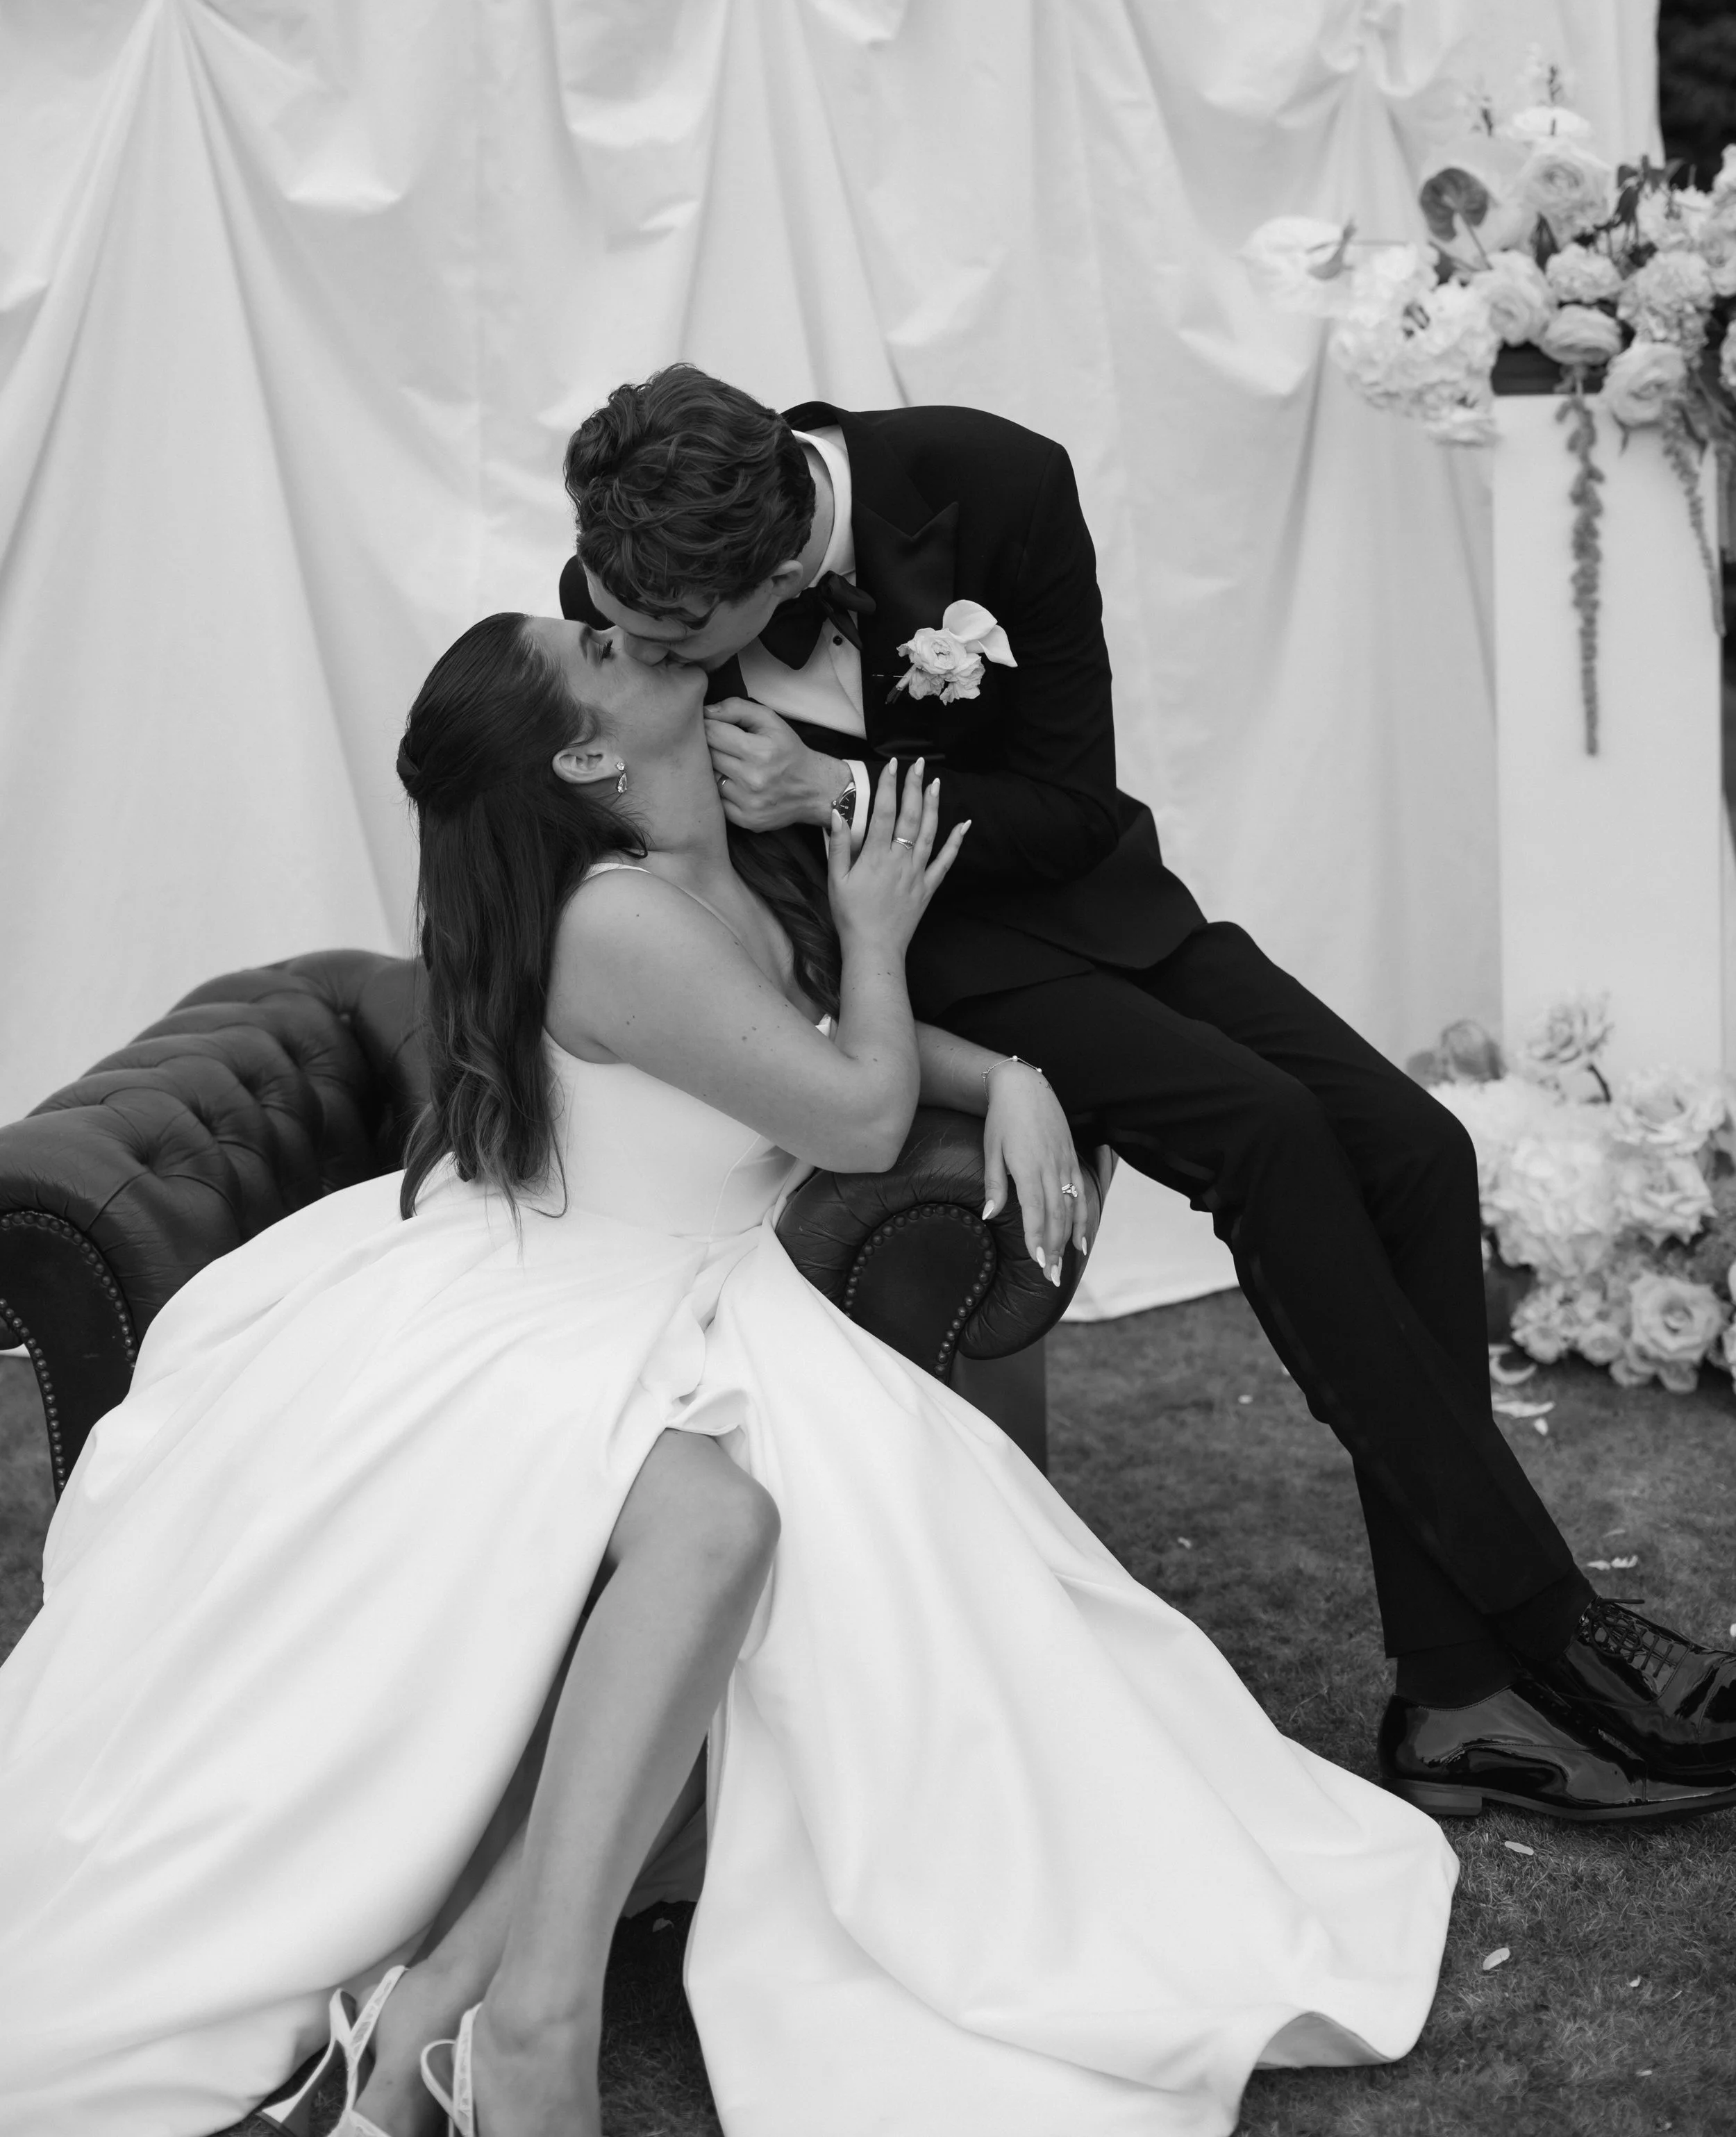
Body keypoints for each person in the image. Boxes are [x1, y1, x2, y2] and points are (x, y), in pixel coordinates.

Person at [0, 608, 1458, 2137]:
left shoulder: (706, 855)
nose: (617, 629)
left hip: (688, 1288)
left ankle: (442, 2013)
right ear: (584, 750)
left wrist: (1005, 1069)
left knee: (835, 1568)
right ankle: (518, 2027)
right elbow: (844, 1111)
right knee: (732, 1531)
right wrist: (884, 936)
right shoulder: (612, 918)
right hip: (553, 1302)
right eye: (594, 650)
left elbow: (810, 1039)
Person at [562, 363, 1736, 1826]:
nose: (630, 645)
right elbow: (691, 868)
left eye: (672, 633)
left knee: (1417, 1149)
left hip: (1090, 899)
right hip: (918, 973)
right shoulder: (641, 569)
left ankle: (1446, 1694)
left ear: (776, 563)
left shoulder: (998, 480)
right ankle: (1548, 1627)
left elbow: (1068, 800)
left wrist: (837, 789)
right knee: (1270, 1138)